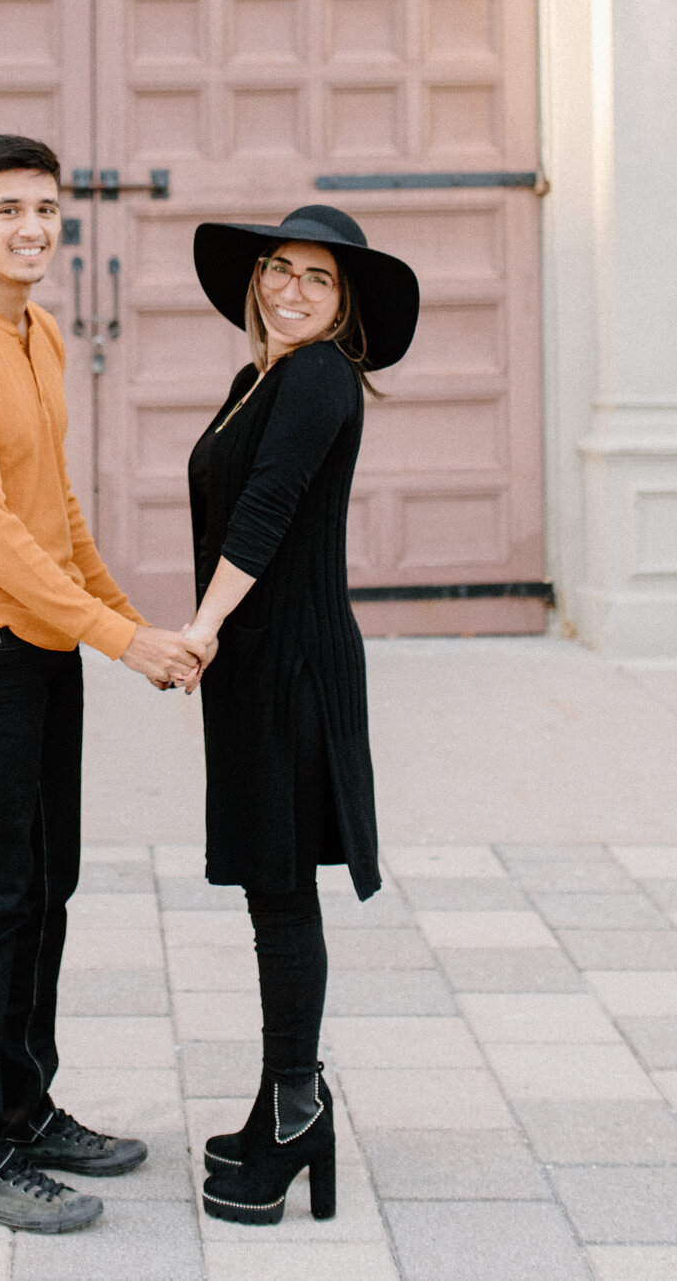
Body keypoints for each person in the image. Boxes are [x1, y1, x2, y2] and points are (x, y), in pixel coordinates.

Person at [0, 133, 200, 1235]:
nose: (31, 229)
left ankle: (25, 1110)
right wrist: (124, 641)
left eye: (46, 210)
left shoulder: (41, 332)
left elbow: (52, 510)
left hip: (43, 643)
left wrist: (127, 619)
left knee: (45, 885)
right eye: (8, 209)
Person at [176, 205, 419, 1227]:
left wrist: (200, 629)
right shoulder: (258, 379)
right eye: (279, 270)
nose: (290, 291)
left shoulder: (320, 377)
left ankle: (293, 1118)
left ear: (345, 303)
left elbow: (266, 511)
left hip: (290, 668)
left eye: (318, 281)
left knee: (280, 891)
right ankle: (287, 1102)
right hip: (256, 663)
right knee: (271, 887)